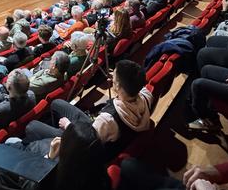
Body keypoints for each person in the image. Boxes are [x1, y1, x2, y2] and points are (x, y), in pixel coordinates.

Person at [24, 60, 152, 159]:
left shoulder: (107, 120)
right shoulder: (146, 96)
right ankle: (56, 132)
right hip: (97, 129)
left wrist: (68, 126)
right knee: (56, 103)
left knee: (32, 126)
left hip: (84, 142)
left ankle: (44, 145)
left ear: (118, 85)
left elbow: (86, 143)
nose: (111, 77)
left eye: (114, 78)